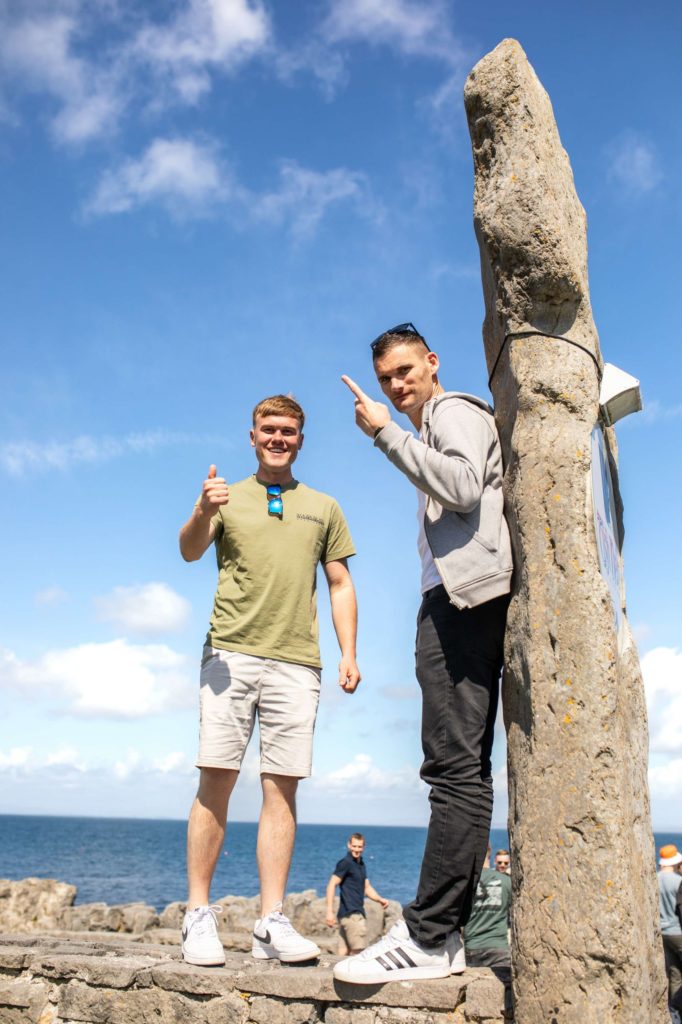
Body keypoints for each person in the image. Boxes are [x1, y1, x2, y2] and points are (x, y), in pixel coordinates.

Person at [334, 323, 512, 984]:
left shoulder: (451, 410)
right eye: (387, 379)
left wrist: (385, 431)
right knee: (464, 770)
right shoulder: (438, 417)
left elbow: (464, 487)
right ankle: (447, 934)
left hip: (461, 601)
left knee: (452, 770)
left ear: (432, 363)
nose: (397, 385)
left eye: (405, 370)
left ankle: (430, 935)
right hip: (464, 597)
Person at [178, 394, 360, 967]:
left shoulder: (324, 506)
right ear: (251, 435)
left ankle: (271, 920)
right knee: (217, 779)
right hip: (229, 654)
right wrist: (203, 511)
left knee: (282, 789)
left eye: (288, 431)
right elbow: (187, 552)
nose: (278, 438)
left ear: (301, 439)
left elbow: (338, 584)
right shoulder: (225, 496)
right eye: (268, 429)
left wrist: (348, 652)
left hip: (297, 661)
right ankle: (198, 915)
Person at [325, 833, 389, 955]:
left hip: (347, 916)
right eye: (354, 846)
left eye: (359, 847)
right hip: (352, 915)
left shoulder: (360, 864)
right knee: (358, 952)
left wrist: (380, 899)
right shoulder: (346, 863)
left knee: (343, 952)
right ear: (349, 845)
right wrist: (329, 911)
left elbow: (367, 887)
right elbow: (332, 884)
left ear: (363, 847)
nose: (356, 849)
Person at [464, 844, 511, 969]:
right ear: (490, 856)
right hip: (499, 948)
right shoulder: (506, 881)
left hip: (472, 948)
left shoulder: (464, 884)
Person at [658, 843, 682, 1016]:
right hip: (678, 932)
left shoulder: (653, 879)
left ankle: (674, 1013)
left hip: (663, 934)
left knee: (674, 974)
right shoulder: (679, 881)